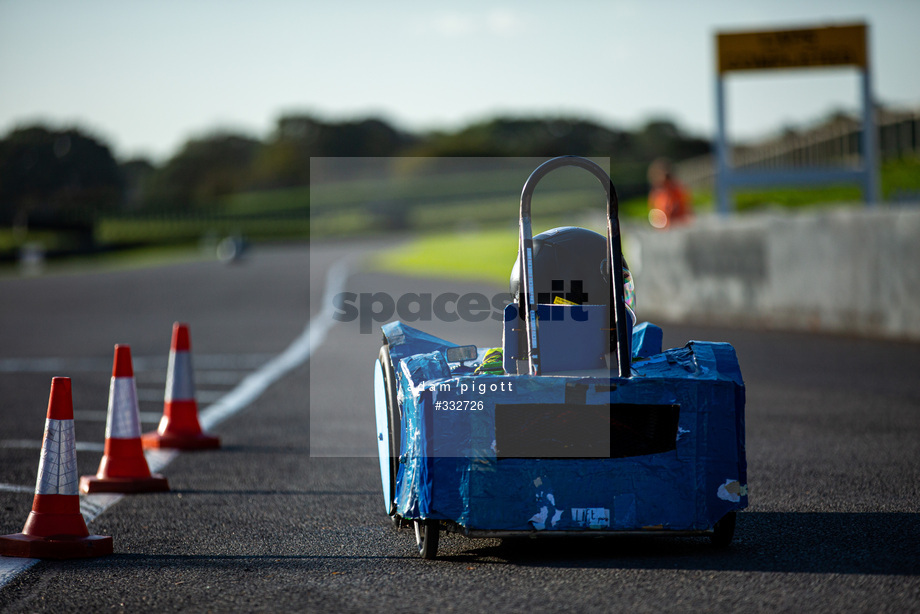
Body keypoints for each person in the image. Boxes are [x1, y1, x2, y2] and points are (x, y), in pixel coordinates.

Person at [647, 158, 692, 229]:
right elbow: (655, 217)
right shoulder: (656, 195)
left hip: (679, 227)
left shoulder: (677, 190)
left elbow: (686, 212)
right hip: (665, 230)